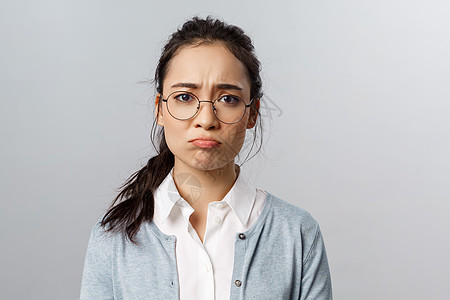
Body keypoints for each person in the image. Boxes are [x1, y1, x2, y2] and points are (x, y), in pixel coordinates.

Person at [80, 16, 333, 300]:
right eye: (185, 97)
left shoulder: (297, 234)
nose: (206, 119)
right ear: (160, 109)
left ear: (252, 112)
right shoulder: (112, 239)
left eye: (228, 99)